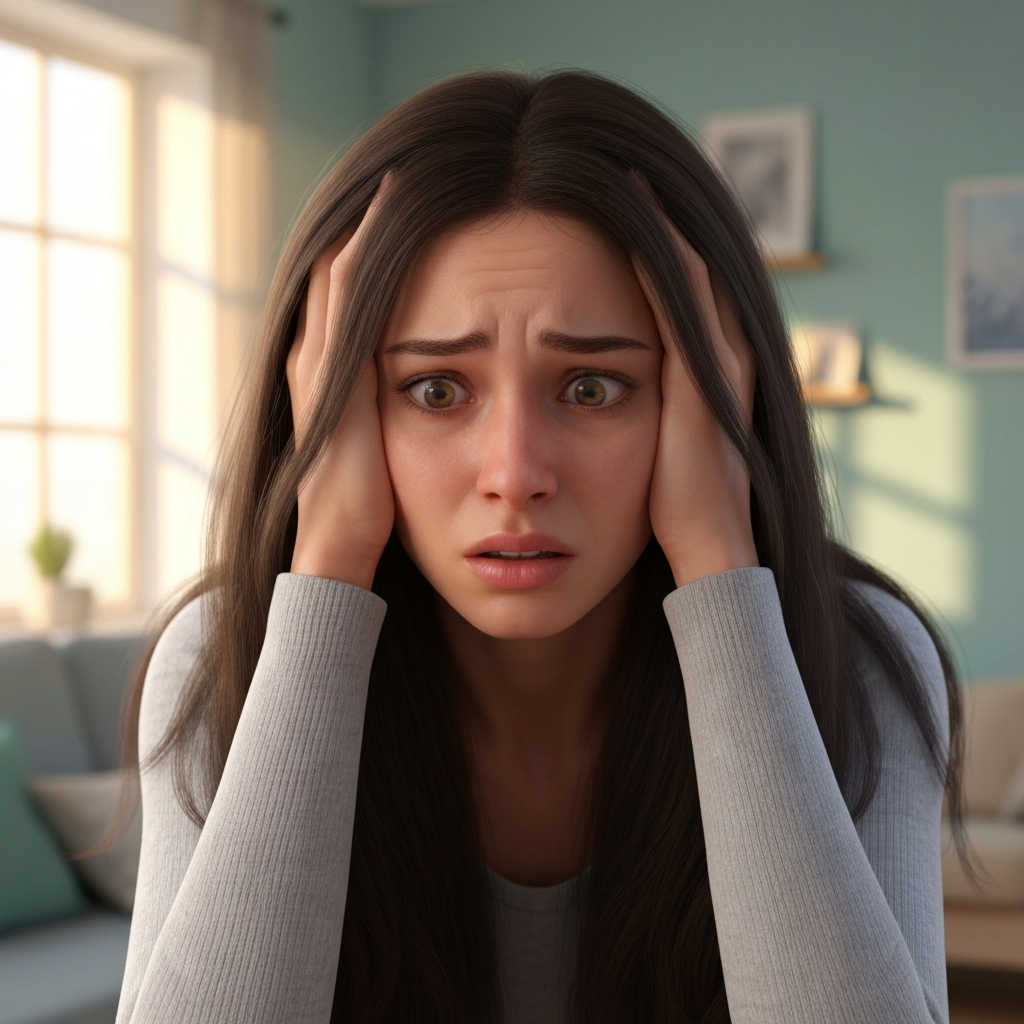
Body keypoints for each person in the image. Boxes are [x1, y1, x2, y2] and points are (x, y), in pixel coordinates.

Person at [114, 69, 965, 1024]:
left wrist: (722, 557)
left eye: (592, 387)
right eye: (437, 391)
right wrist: (329, 561)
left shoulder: (863, 662)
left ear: (708, 404)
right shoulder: (222, 655)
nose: (515, 473)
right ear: (337, 407)